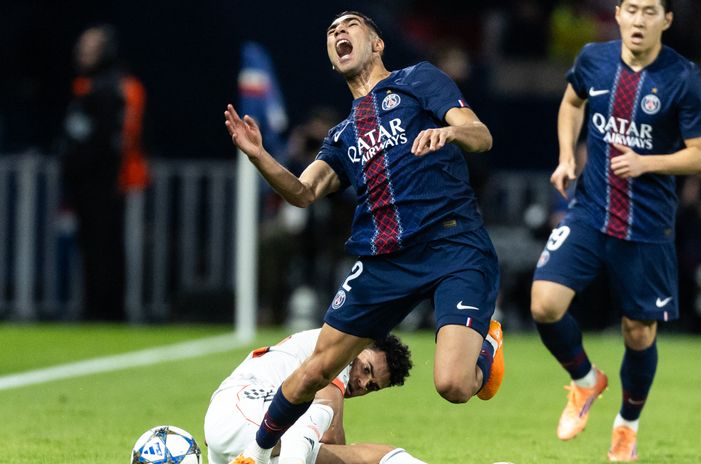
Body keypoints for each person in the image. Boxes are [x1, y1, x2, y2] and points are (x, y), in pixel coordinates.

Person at [223, 11, 505, 464]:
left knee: (453, 385)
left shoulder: (419, 80)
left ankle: (486, 344)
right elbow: (303, 192)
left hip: (453, 243)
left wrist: (452, 130)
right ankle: (254, 455)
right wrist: (259, 155)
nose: (338, 31)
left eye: (350, 25)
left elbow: (481, 134)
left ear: (377, 44)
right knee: (312, 372)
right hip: (383, 261)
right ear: (334, 62)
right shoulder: (343, 133)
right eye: (331, 30)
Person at [529, 0, 701, 461]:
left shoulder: (682, 77)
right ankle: (586, 381)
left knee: (638, 334)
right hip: (590, 211)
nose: (638, 19)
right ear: (617, 14)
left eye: (650, 11)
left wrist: (647, 162)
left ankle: (627, 426)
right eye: (631, 8)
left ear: (666, 21)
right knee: (544, 305)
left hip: (647, 225)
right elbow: (571, 101)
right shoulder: (594, 58)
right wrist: (567, 155)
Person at [204, 328, 422, 463]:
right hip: (240, 415)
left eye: (372, 387)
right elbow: (331, 434)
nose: (363, 384)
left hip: (234, 433)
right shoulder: (339, 346)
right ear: (360, 347)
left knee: (375, 456)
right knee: (322, 411)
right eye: (366, 369)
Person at [59, 24, 149, 321]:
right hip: (88, 183)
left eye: (89, 47)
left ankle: (106, 311)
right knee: (92, 247)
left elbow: (110, 140)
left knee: (106, 248)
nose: (80, 53)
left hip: (106, 182)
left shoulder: (110, 88)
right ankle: (96, 308)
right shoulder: (89, 85)